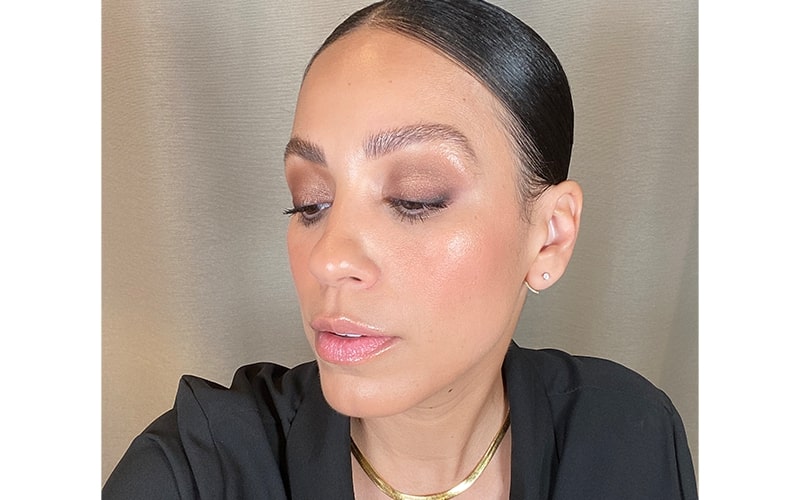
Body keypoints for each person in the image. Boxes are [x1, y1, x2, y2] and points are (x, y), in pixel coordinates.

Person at [103, 0, 697, 498]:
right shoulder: (190, 473)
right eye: (310, 203)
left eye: (416, 198)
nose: (328, 259)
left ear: (550, 236)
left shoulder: (631, 437)